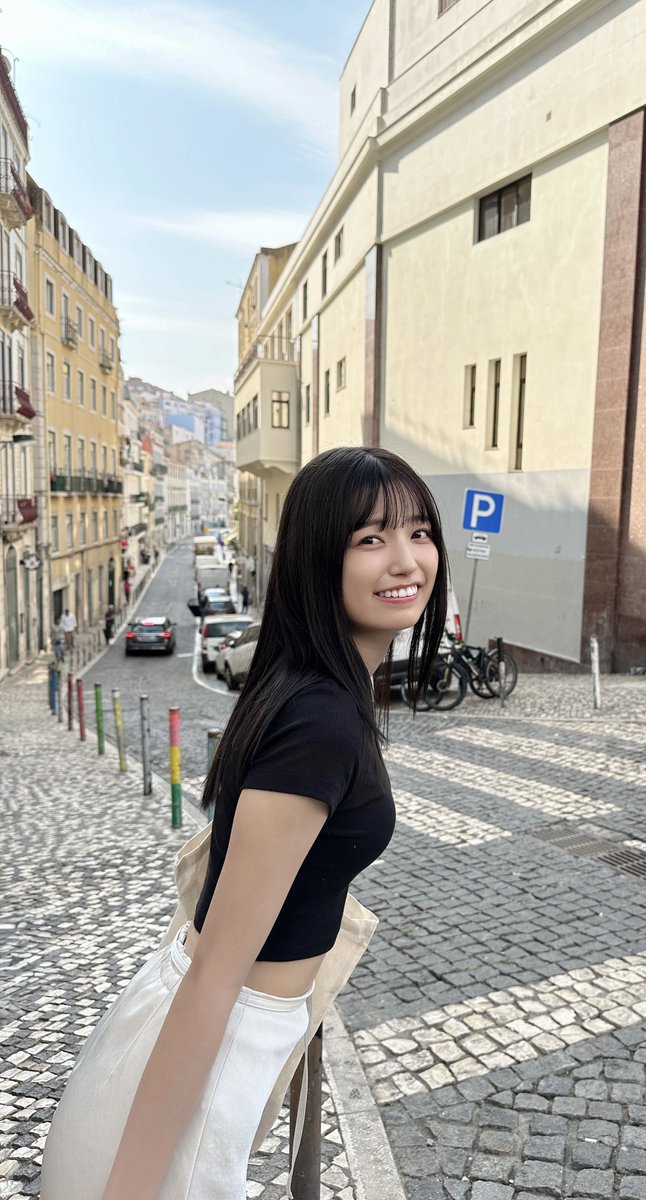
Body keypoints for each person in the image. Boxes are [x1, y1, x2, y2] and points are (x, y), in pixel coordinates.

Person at [40, 446, 449, 1200]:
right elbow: (216, 974)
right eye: (370, 538)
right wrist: (131, 1189)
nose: (405, 560)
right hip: (218, 1047)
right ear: (318, 560)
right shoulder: (319, 722)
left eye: (419, 532)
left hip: (241, 1035)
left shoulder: (319, 688)